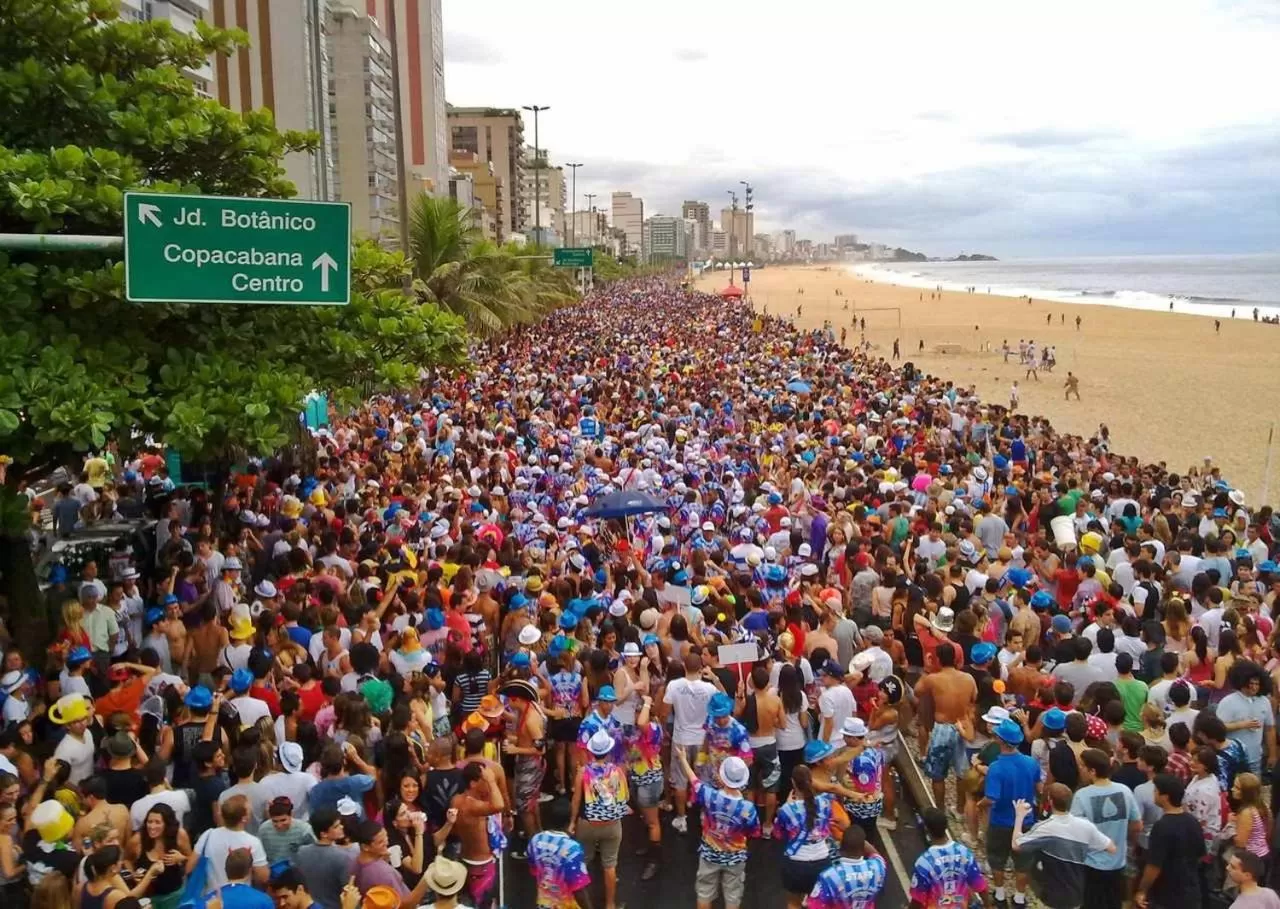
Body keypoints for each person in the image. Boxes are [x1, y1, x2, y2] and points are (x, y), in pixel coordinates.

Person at [672, 746, 757, 909]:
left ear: (722, 777)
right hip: (735, 856)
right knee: (732, 896)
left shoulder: (709, 795)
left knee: (704, 893)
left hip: (709, 853)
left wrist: (683, 758)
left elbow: (694, 781)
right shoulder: (748, 809)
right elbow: (753, 831)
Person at [1011, 785, 1116, 909]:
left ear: (1050, 802)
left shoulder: (1046, 827)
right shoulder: (1086, 826)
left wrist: (1019, 817)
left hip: (1051, 895)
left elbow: (1016, 845)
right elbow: (1111, 848)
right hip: (1076, 894)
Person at [981, 719, 1041, 908]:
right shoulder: (1031, 763)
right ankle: (1019, 898)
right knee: (1023, 862)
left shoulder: (996, 768)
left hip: (1000, 821)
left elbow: (991, 798)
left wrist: (979, 805)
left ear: (1000, 740)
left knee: (997, 859)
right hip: (1026, 821)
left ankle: (1000, 895)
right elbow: (1039, 788)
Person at [1069, 750, 1140, 909]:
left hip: (1091, 862)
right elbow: (1137, 825)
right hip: (1118, 861)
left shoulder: (1082, 795)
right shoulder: (1125, 791)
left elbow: (1075, 832)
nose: (1080, 769)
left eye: (1082, 766)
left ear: (1092, 771)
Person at [569, 731, 627, 909]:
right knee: (610, 865)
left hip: (588, 824)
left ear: (591, 752)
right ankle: (610, 904)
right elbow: (624, 797)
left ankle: (584, 904)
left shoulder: (583, 772)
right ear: (608, 752)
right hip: (612, 825)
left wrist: (572, 823)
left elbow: (576, 800)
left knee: (583, 863)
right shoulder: (617, 771)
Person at [1133, 774, 1205, 909]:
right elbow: (1200, 854)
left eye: (1156, 791)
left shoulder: (1162, 826)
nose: (1154, 794)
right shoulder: (1193, 821)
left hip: (1167, 895)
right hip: (1191, 890)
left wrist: (1142, 890)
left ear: (1165, 797)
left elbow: (1154, 866)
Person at [909, 805, 989, 909]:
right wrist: (988, 906)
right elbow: (980, 887)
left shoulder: (924, 863)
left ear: (927, 830)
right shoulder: (964, 853)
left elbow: (917, 899)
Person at [526, 799, 590, 909]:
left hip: (544, 902)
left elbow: (534, 871)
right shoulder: (572, 848)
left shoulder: (535, 840)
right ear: (569, 821)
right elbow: (578, 888)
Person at [805, 825, 887, 909]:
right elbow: (876, 855)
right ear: (863, 848)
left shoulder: (829, 876)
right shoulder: (878, 867)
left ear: (840, 846)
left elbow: (814, 906)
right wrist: (862, 842)